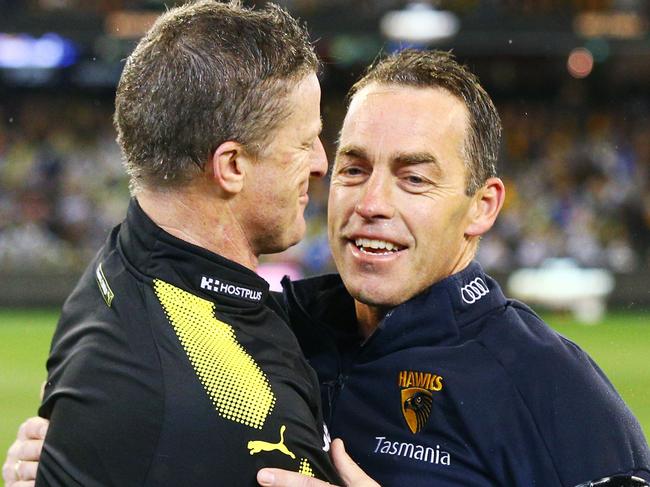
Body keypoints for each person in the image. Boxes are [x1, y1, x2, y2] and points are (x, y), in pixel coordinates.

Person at [5, 49, 650, 486]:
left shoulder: (550, 388)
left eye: (414, 178)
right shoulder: (262, 331)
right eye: (353, 168)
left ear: (481, 208)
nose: (371, 204)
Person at [2, 1, 349, 485]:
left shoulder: (122, 261)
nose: (320, 163)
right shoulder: (242, 425)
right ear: (231, 166)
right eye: (305, 141)